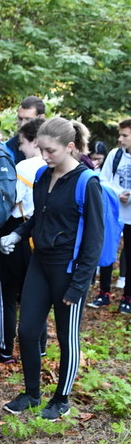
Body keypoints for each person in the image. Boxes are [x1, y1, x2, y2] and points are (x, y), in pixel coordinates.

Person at [0, 117, 103, 421]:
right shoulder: (44, 176)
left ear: (70, 148)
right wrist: (19, 233)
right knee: (28, 331)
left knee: (67, 336)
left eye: (51, 151)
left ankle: (62, 399)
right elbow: (38, 218)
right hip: (40, 265)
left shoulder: (87, 183)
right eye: (41, 150)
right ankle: (32, 393)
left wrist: (79, 285)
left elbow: (94, 241)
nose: (44, 156)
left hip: (68, 271)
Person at [0, 117, 46, 363]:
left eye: (23, 143)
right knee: (35, 295)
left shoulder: (24, 167)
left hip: (16, 230)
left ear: (34, 141)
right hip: (39, 233)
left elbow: (12, 202)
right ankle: (40, 346)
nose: (20, 148)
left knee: (6, 293)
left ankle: (5, 348)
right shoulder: (51, 165)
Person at [99, 118, 131, 314]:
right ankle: (104, 292)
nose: (120, 139)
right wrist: (117, 193)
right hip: (114, 213)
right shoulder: (115, 155)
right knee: (107, 250)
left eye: (125, 135)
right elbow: (103, 179)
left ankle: (127, 297)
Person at [6, 96, 46, 164]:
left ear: (41, 117)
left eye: (28, 119)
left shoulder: (55, 145)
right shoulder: (8, 148)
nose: (22, 124)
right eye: (20, 119)